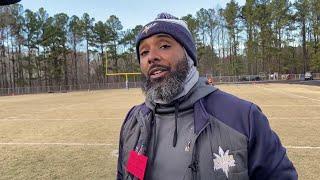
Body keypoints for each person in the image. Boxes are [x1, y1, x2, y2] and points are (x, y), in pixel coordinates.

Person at [117, 13, 297, 180]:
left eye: (164, 45)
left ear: (188, 55)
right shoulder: (134, 122)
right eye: (144, 52)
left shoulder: (243, 116)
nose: (151, 57)